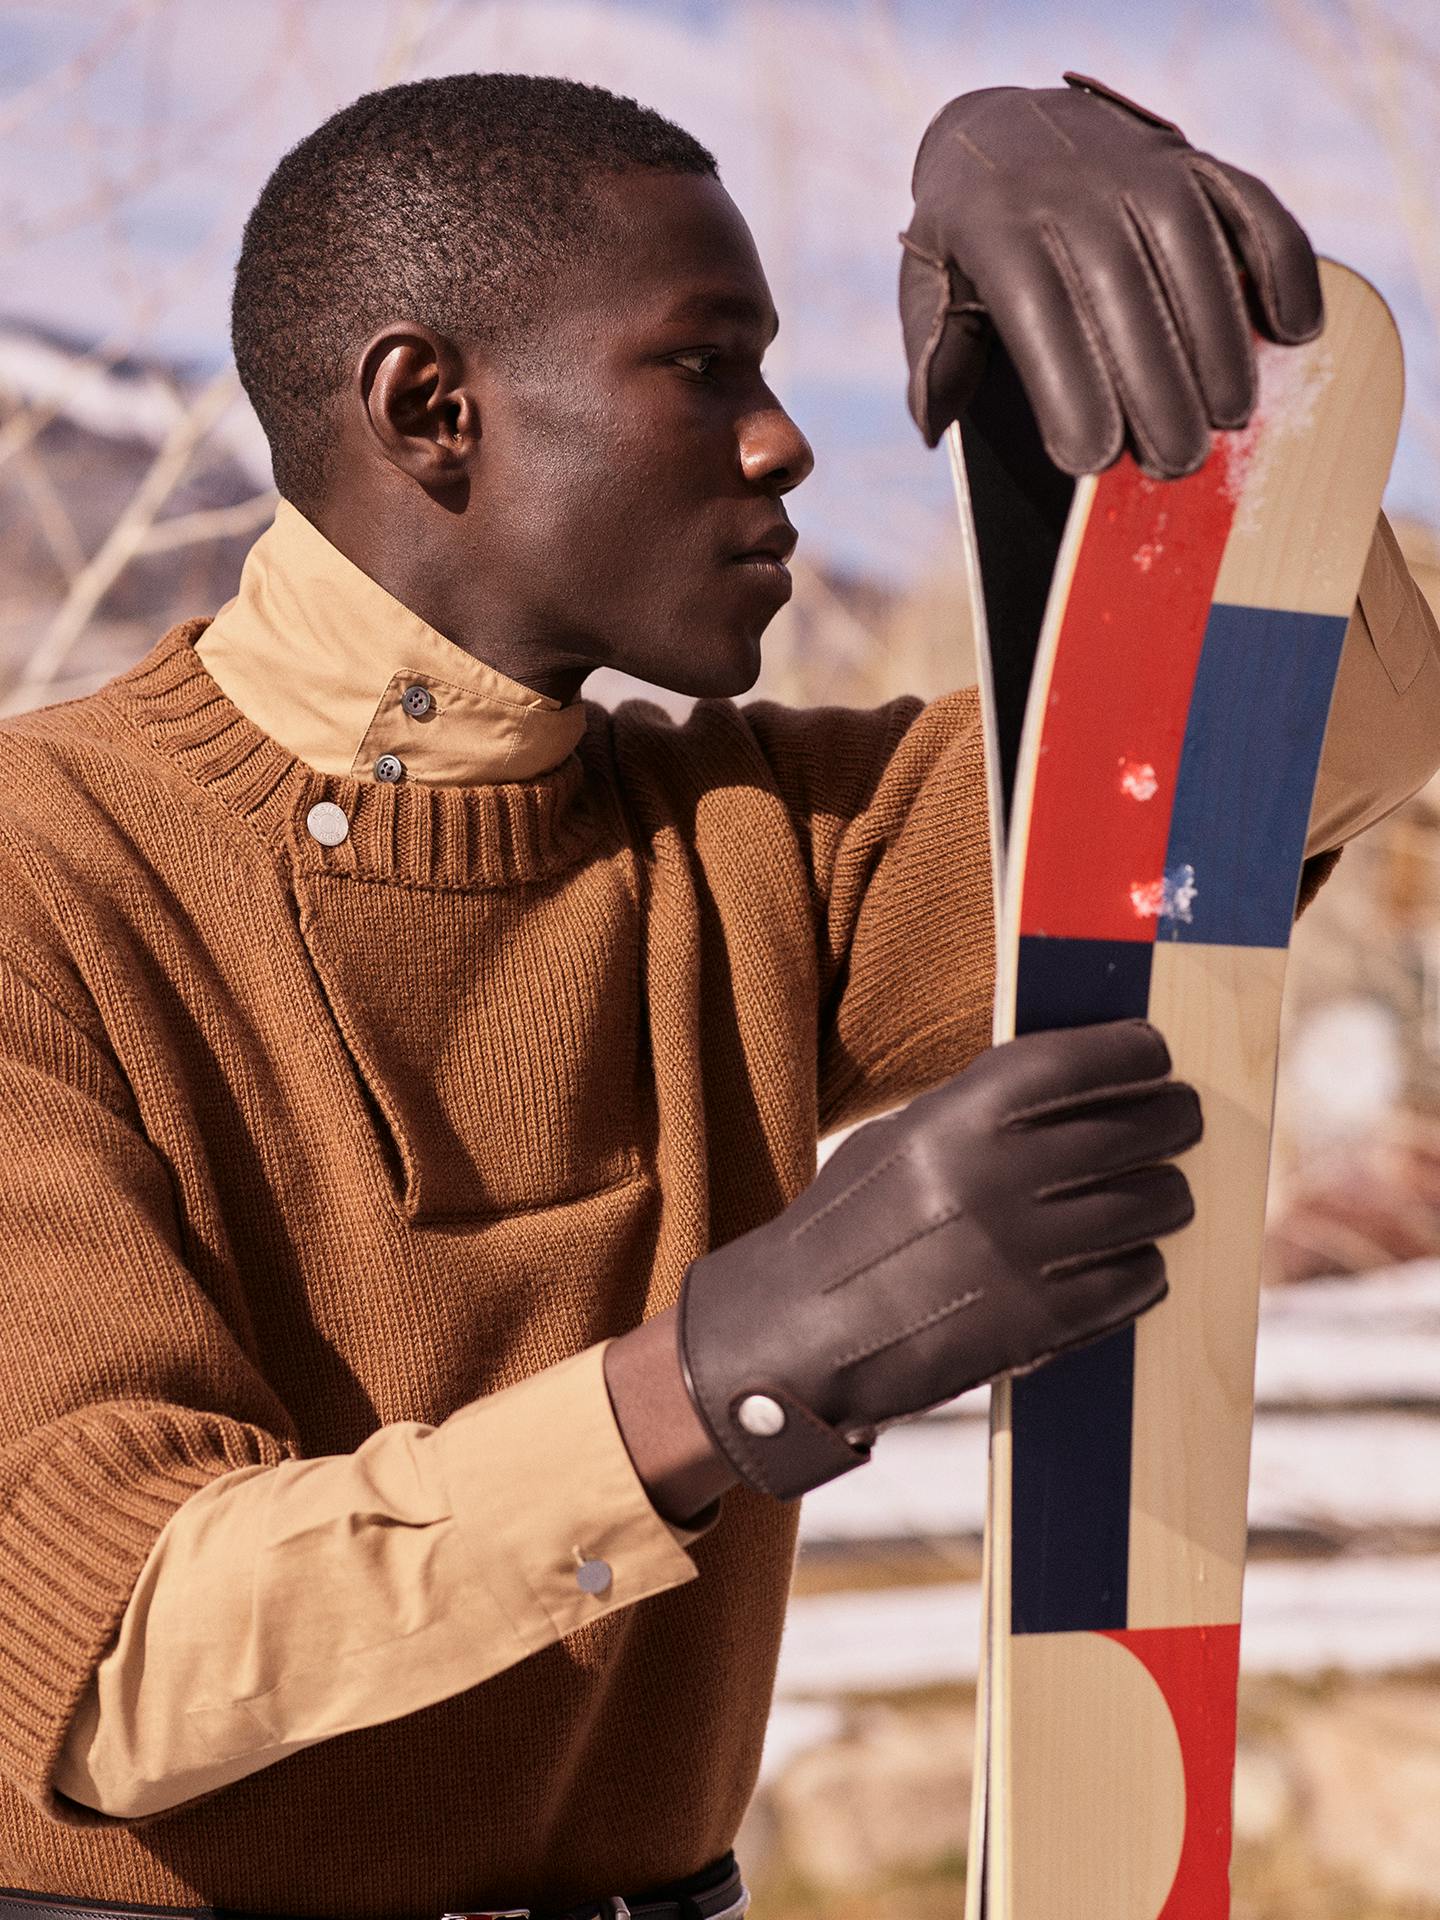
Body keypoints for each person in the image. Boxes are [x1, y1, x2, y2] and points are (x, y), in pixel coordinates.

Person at [0, 71, 1435, 1920]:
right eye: (705, 364)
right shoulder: (45, 875)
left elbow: (1313, 731)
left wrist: (1228, 374)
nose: (785, 442)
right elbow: (105, 1651)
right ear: (431, 409)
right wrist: (732, 1375)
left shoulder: (763, 838)